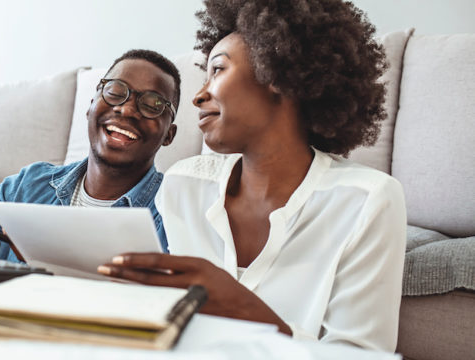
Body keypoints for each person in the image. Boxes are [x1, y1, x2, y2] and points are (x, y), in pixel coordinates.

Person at [97, 0, 406, 352]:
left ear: (276, 74)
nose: (199, 96)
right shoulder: (183, 186)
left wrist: (248, 310)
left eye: (218, 70)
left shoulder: (367, 201)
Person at [0, 49, 180, 262]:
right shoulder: (27, 185)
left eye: (153, 104)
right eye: (116, 91)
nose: (128, 109)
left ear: (169, 134)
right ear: (91, 105)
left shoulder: (175, 208)